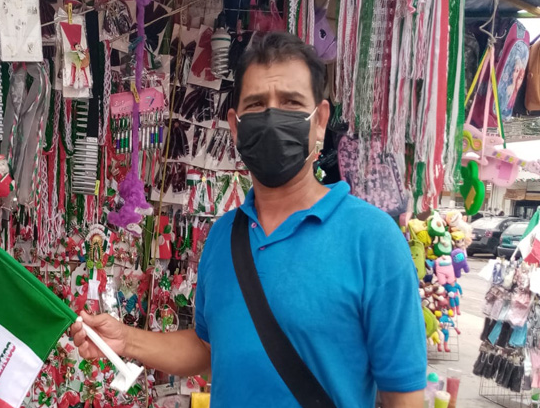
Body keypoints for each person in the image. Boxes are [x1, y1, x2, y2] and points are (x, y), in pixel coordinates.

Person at [71, 32, 426, 407]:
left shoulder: (374, 240)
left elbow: (403, 395)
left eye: (291, 103)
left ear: (320, 120)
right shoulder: (223, 236)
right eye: (256, 105)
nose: (272, 118)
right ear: (237, 126)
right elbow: (207, 349)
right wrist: (126, 339)